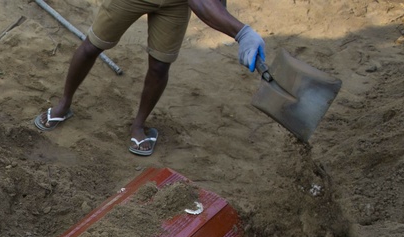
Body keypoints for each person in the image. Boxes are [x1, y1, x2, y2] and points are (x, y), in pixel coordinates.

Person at [33, 0, 266, 156]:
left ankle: (138, 125)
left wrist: (226, 18)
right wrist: (242, 33)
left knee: (159, 65)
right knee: (92, 46)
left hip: (175, 4)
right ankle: (64, 104)